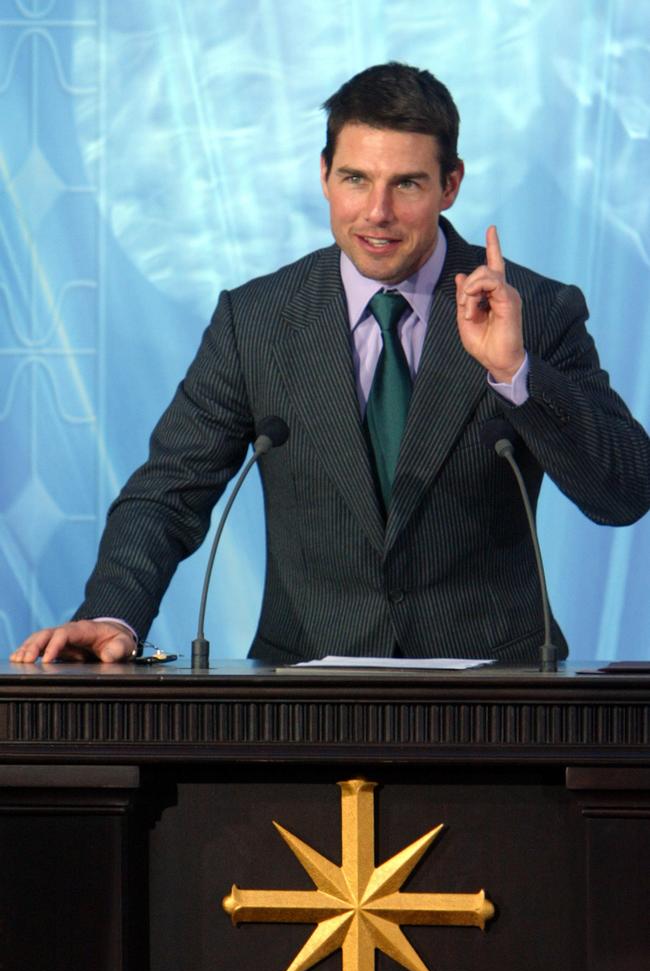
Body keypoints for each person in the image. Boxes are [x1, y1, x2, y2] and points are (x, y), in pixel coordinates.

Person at [11, 62, 650, 665]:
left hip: (498, 697)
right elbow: (168, 491)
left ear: (450, 185)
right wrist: (114, 616)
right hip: (304, 697)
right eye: (355, 180)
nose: (377, 212)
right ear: (324, 175)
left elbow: (623, 493)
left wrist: (517, 374)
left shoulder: (533, 309)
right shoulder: (255, 319)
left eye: (407, 183)